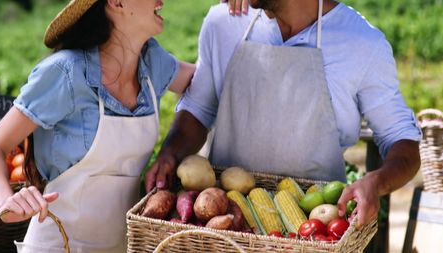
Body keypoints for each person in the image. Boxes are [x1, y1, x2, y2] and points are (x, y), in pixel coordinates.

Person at [145, 0, 422, 229]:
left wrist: (376, 181)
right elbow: (199, 108)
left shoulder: (363, 44)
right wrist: (171, 152)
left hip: (315, 232)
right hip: (226, 226)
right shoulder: (223, 23)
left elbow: (402, 142)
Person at [0, 0, 197, 252]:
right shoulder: (65, 72)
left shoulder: (152, 63)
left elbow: (206, 82)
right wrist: (5, 201)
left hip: (125, 245)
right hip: (57, 245)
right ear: (116, 2)